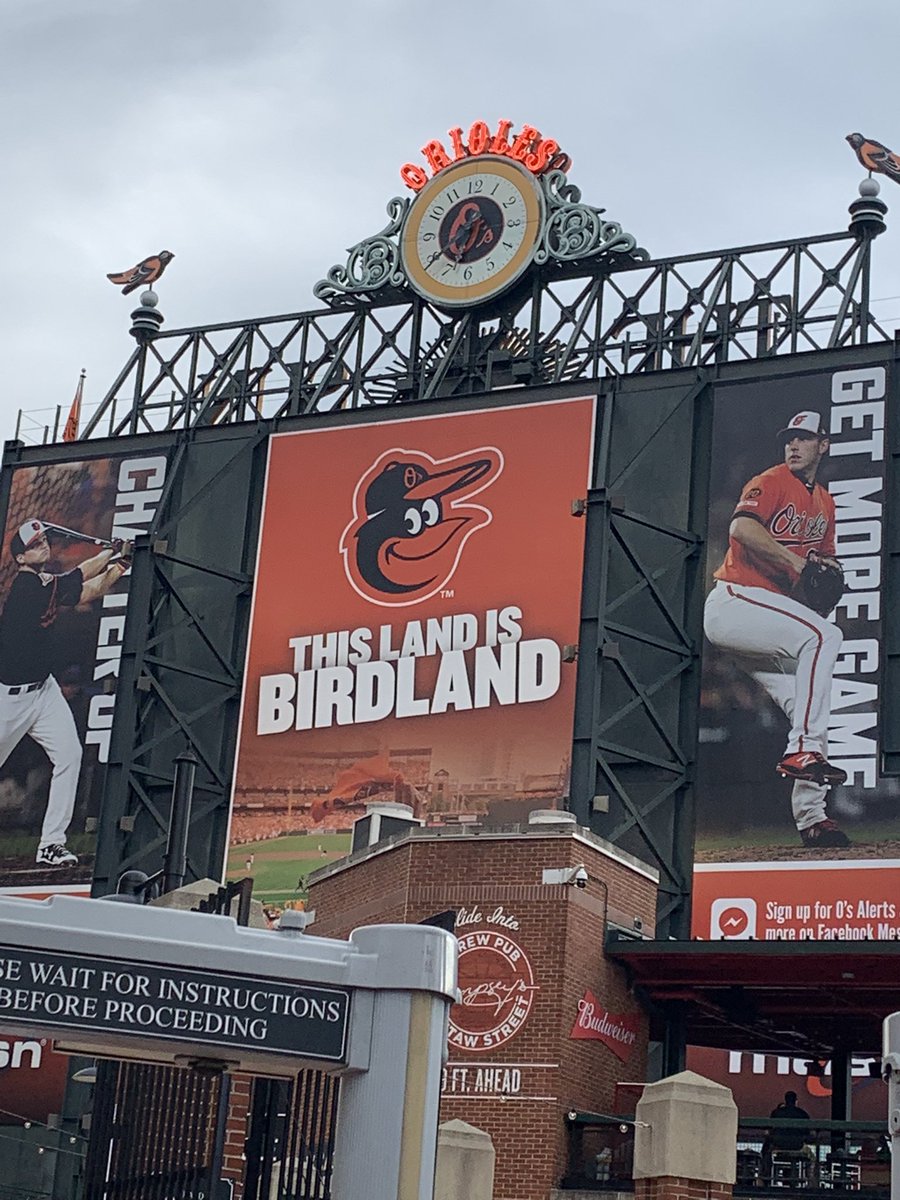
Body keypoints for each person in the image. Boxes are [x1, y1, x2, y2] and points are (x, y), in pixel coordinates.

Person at [703, 411, 850, 848]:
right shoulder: (769, 481)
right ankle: (802, 749)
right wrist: (797, 563)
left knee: (809, 700)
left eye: (804, 438)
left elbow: (827, 560)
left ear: (822, 445)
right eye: (790, 438)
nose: (794, 445)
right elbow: (741, 528)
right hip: (734, 601)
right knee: (826, 637)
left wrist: (830, 571)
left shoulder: (825, 502)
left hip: (765, 619)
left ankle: (813, 818)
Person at [0, 518, 130, 867]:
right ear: (21, 560)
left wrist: (121, 564)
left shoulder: (44, 582)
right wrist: (111, 552)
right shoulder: (27, 589)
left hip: (43, 692)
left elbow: (88, 591)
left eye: (42, 540)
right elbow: (78, 578)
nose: (41, 545)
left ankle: (51, 844)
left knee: (70, 755)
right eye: (32, 545)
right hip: (7, 699)